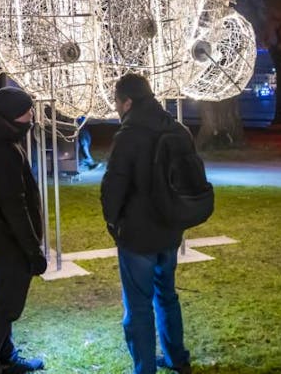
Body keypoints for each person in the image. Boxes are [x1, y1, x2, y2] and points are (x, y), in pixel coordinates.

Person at [101, 74, 192, 374]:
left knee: (138, 306)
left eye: (116, 102)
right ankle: (177, 358)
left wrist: (114, 222)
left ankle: (145, 368)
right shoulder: (177, 129)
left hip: (138, 234)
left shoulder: (128, 136)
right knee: (167, 294)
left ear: (127, 102)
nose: (116, 108)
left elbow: (113, 187)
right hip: (170, 228)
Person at [0, 86, 47, 374]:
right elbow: (14, 206)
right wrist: (32, 250)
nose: (32, 117)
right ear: (15, 114)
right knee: (8, 307)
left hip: (2, 237)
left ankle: (5, 357)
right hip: (10, 241)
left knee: (5, 300)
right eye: (28, 111)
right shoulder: (3, 150)